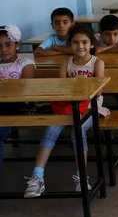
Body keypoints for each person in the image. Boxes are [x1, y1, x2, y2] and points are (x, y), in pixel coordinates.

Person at [24, 25, 110, 198]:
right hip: (69, 106)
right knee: (51, 130)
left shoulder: (97, 63)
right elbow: (62, 88)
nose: (80, 46)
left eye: (84, 42)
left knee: (77, 132)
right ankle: (37, 177)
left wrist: (78, 85)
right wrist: (74, 89)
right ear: (70, 45)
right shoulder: (66, 63)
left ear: (91, 44)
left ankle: (82, 177)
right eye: (75, 42)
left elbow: (98, 90)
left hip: (91, 106)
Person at [0, 25, 34, 169]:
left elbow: (23, 88)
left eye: (8, 44)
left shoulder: (25, 63)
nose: (3, 49)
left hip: (16, 106)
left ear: (17, 45)